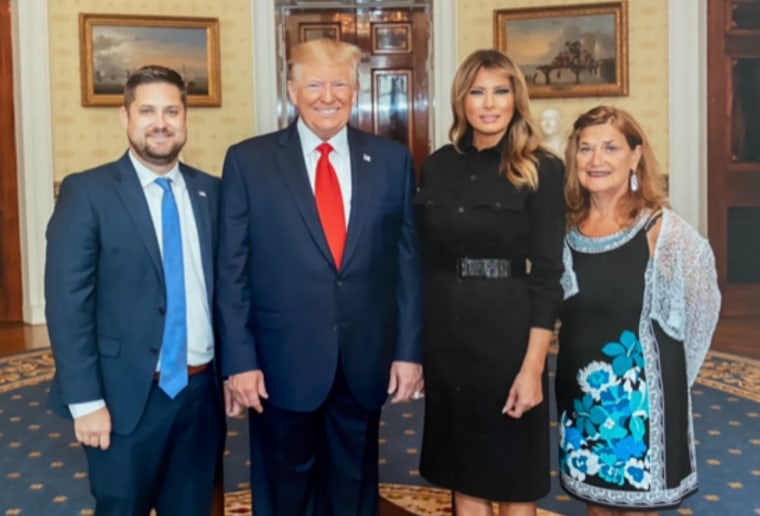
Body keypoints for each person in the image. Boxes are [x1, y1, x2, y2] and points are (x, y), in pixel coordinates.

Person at [215, 38, 424, 516]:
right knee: (284, 495)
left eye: (339, 84)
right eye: (314, 84)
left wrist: (408, 354)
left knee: (353, 491)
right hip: (278, 365)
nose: (327, 95)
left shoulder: (391, 161)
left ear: (355, 91)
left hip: (362, 363)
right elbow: (232, 272)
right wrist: (239, 361)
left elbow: (407, 267)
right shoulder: (248, 162)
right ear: (292, 90)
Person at [44, 65, 225, 516]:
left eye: (171, 111)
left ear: (185, 118)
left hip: (201, 395)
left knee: (192, 506)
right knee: (122, 506)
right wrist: (85, 402)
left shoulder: (213, 192)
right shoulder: (87, 192)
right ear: (125, 117)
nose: (160, 122)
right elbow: (68, 306)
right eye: (147, 111)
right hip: (124, 398)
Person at [416, 49, 566, 515]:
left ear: (516, 99)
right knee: (464, 470)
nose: (489, 103)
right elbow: (423, 258)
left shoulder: (541, 168)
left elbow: (547, 274)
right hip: (446, 335)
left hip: (508, 337)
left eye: (500, 91)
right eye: (477, 92)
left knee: (513, 475)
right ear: (461, 100)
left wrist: (532, 368)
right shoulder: (437, 165)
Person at [557, 105, 721, 515]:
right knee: (595, 501)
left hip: (641, 402)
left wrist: (676, 379)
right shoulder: (564, 229)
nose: (596, 160)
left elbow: (704, 303)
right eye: (585, 148)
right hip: (583, 399)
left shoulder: (660, 230)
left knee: (636, 508)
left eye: (610, 148)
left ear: (635, 155)